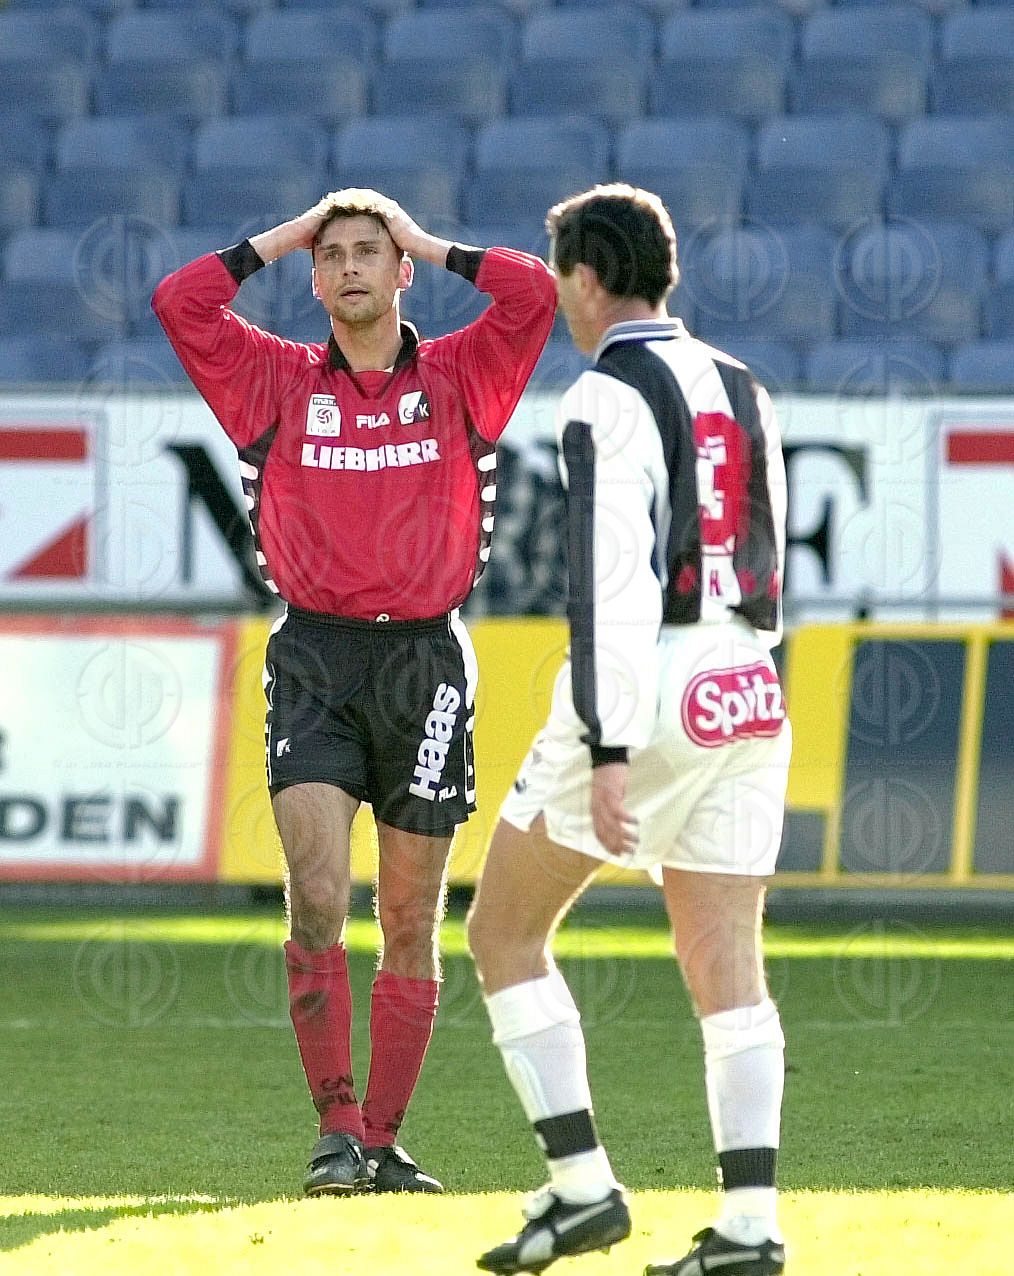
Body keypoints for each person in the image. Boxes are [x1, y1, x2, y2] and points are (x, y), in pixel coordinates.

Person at [153, 190, 555, 1196]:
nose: (348, 267)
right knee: (320, 896)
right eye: (330, 255)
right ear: (314, 275)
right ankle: (334, 1129)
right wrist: (284, 235)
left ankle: (383, 1141)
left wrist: (430, 240)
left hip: (427, 663)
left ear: (400, 268)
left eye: (369, 251)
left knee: (410, 916)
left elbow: (535, 294)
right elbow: (179, 303)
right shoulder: (276, 380)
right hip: (315, 662)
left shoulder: (460, 374)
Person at [467, 184, 791, 1276]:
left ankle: (581, 1190)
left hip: (652, 675)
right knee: (727, 962)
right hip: (749, 675)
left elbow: (610, 579)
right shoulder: (742, 384)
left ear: (589, 275)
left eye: (563, 276)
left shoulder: (603, 394)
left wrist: (609, 749)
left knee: (502, 932)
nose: (563, 298)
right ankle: (749, 1225)